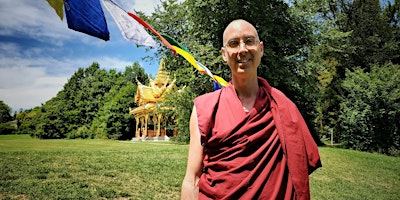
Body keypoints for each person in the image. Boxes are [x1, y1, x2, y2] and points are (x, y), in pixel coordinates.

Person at [180, 19, 321, 200]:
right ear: (224, 54)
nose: (242, 49)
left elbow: (298, 167)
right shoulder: (205, 108)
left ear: (260, 48)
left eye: (249, 41)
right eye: (233, 43)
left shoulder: (283, 106)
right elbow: (192, 180)